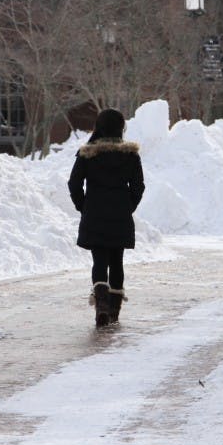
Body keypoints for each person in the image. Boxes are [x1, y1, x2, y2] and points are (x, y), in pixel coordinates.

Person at [67, 108, 145, 327]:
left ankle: (101, 304)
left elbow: (74, 183)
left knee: (99, 260)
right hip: (120, 214)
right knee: (117, 261)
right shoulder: (130, 155)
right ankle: (114, 310)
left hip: (94, 213)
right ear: (120, 128)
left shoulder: (87, 153)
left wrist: (83, 205)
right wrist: (128, 206)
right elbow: (139, 186)